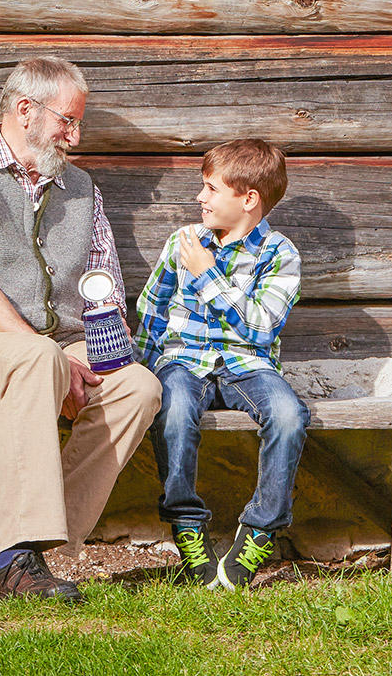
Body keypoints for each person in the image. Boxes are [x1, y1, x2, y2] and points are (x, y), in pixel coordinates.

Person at [0, 56, 162, 602]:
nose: (74, 136)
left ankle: (35, 557)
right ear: (25, 110)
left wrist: (108, 354)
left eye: (77, 123)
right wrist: (52, 356)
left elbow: (106, 289)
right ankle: (15, 561)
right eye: (66, 121)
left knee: (139, 387)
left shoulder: (82, 187)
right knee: (38, 360)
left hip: (56, 350)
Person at [136, 138, 306, 589]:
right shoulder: (183, 242)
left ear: (248, 199)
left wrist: (207, 275)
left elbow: (262, 328)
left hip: (248, 364)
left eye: (211, 189)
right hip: (184, 361)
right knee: (171, 410)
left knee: (289, 415)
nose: (200, 198)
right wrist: (139, 368)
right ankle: (188, 527)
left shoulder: (280, 254)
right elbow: (151, 311)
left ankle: (259, 531)